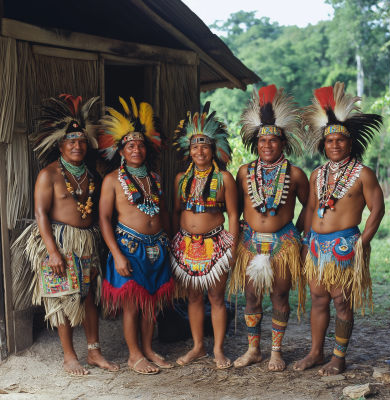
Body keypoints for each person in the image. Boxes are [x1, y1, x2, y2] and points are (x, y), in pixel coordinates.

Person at [11, 94, 119, 376]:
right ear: (60, 145)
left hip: (87, 242)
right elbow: (41, 214)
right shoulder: (49, 175)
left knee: (89, 297)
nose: (77, 145)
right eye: (71, 141)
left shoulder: (92, 175)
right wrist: (52, 251)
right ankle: (70, 356)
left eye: (82, 141)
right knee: (63, 298)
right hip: (60, 240)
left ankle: (94, 352)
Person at [294, 82, 385, 376]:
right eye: (329, 141)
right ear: (324, 144)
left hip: (344, 244)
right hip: (316, 244)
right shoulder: (317, 174)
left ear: (349, 143)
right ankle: (316, 353)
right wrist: (304, 239)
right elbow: (309, 208)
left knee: (341, 301)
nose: (334, 145)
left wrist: (364, 242)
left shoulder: (363, 173)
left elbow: (378, 209)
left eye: (340, 141)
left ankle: (339, 358)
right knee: (318, 299)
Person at [229, 85, 309, 371]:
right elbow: (235, 208)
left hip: (283, 243)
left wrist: (296, 235)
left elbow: (309, 208)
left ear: (282, 143)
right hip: (250, 242)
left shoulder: (296, 174)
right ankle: (254, 350)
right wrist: (235, 233)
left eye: (273, 142)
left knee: (279, 295)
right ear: (256, 142)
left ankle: (276, 351)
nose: (267, 146)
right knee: (251, 296)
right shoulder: (243, 172)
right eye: (263, 141)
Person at [98, 97, 174, 375]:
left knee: (151, 303)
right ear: (121, 150)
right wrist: (116, 254)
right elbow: (104, 220)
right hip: (129, 247)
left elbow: (162, 211)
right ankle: (133, 355)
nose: (136, 149)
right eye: (130, 145)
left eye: (141, 144)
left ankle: (148, 348)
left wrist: (172, 241)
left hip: (159, 247)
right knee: (132, 305)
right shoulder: (112, 180)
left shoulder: (154, 177)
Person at [170, 102, 239, 369]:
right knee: (194, 297)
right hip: (186, 244)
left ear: (213, 150)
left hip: (216, 243)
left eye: (205, 146)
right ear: (189, 151)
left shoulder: (224, 178)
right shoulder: (180, 179)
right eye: (195, 147)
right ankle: (198, 347)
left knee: (216, 297)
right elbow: (176, 212)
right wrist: (176, 243)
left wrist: (231, 248)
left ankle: (218, 349)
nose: (200, 151)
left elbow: (233, 215)